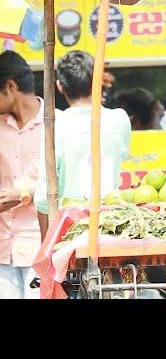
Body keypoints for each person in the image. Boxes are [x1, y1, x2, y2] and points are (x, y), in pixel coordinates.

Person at [33, 51, 131, 237]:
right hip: (114, 227)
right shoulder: (119, 119)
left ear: (60, 86)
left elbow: (43, 199)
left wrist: (47, 244)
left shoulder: (55, 125)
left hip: (70, 231)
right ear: (98, 80)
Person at [0, 51, 42, 298]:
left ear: (10, 87)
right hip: (2, 251)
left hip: (39, 247)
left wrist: (25, 193)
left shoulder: (55, 124)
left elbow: (68, 185)